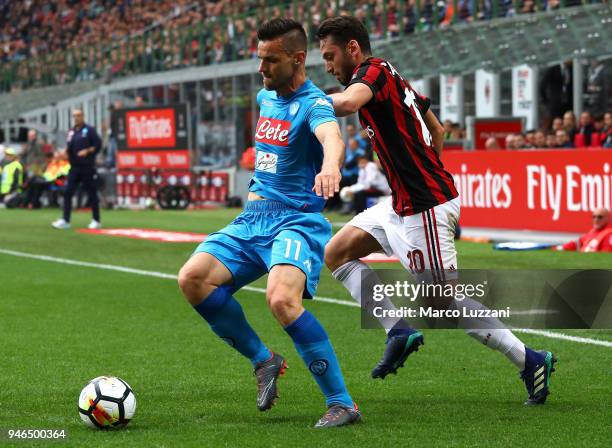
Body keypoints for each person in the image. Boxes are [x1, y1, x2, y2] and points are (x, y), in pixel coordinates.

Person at [318, 16, 555, 405]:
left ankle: (530, 360)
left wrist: (301, 101)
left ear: (353, 49)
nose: (328, 66)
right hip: (404, 203)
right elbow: (438, 129)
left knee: (442, 304)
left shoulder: (373, 71)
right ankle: (397, 331)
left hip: (424, 206)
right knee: (336, 252)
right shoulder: (390, 72)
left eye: (330, 57)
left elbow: (344, 103)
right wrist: (424, 173)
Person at [177, 19, 360, 428]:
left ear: (297, 59)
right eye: (259, 59)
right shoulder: (265, 96)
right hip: (252, 220)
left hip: (295, 221)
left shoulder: (314, 104)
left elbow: (332, 136)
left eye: (270, 61)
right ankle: (265, 361)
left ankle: (342, 403)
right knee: (192, 279)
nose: (261, 69)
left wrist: (330, 166)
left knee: (280, 300)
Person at [52, 109, 102, 230]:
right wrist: (61, 155)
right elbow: (69, 149)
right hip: (74, 167)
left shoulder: (89, 130)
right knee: (68, 192)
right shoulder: (71, 132)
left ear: (83, 116)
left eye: (79, 115)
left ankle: (96, 220)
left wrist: (88, 151)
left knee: (91, 193)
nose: (76, 118)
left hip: (87, 167)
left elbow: (98, 144)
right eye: (74, 116)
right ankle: (66, 220)